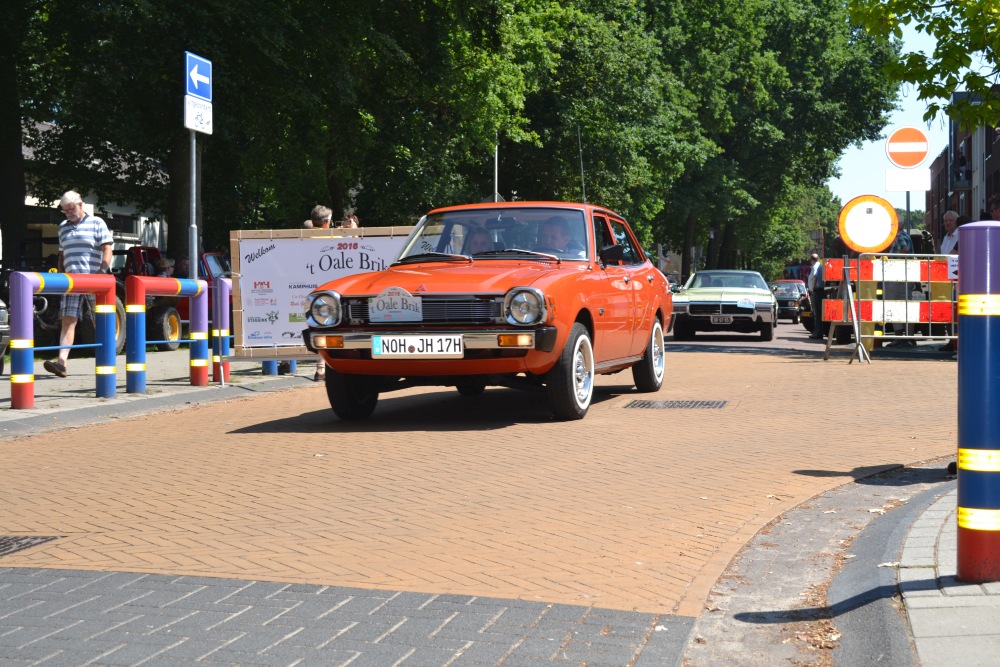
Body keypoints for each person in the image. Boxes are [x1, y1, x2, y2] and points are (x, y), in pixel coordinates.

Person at [43, 191, 113, 378]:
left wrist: (102, 271)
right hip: (72, 281)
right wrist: (61, 276)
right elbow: (62, 254)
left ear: (80, 204)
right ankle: (61, 363)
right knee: (68, 319)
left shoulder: (97, 223)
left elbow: (107, 248)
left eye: (70, 209)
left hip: (93, 279)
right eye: (64, 211)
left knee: (99, 320)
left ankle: (108, 360)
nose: (68, 213)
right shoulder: (63, 227)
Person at [807, 253, 825, 339]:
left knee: (817, 313)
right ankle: (819, 332)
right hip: (819, 290)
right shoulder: (820, 266)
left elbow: (815, 277)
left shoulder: (815, 267)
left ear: (812, 260)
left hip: (816, 291)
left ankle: (817, 333)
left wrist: (813, 288)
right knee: (819, 313)